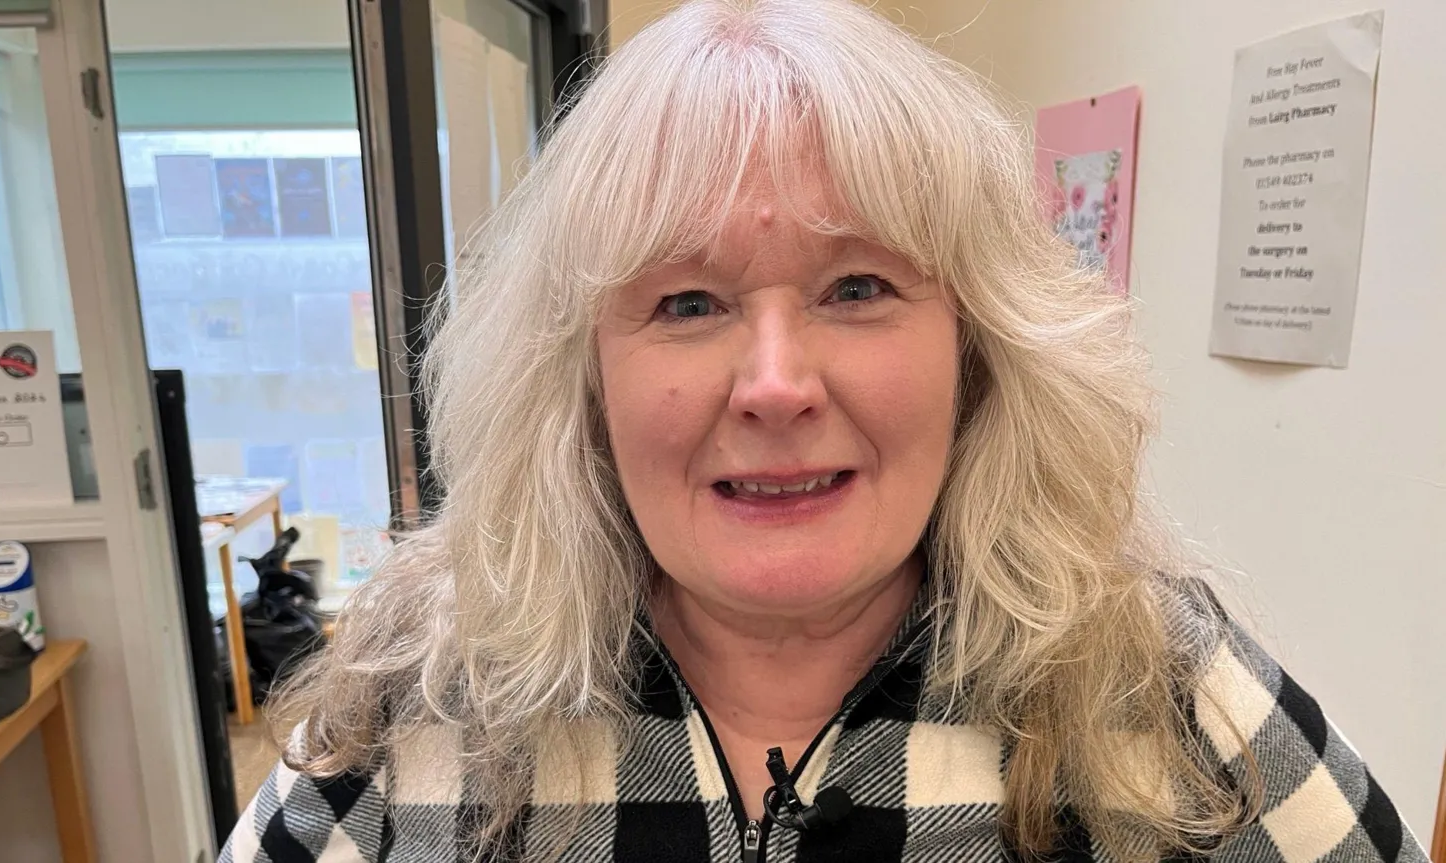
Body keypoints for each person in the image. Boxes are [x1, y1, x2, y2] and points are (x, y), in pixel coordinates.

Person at [221, 1, 1426, 861]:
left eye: (858, 288)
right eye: (686, 302)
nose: (778, 384)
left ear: (980, 348)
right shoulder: (420, 688)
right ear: (580, 378)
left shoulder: (1160, 683)